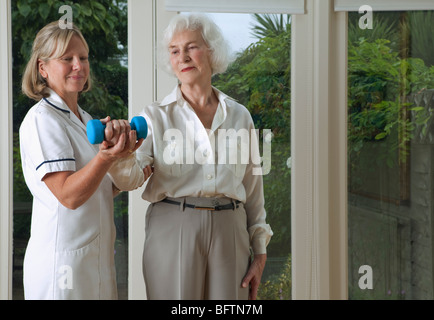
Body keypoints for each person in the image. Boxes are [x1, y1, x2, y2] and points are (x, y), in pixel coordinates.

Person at [136, 13, 273, 300]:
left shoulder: (239, 115)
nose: (183, 57)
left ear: (211, 51)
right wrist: (117, 155)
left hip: (231, 229)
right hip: (173, 225)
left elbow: (253, 187)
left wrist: (259, 251)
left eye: (191, 47)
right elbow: (131, 176)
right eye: (175, 50)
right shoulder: (153, 116)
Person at [19, 21, 151, 300]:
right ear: (43, 68)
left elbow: (99, 189)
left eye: (83, 58)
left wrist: (124, 160)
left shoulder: (86, 120)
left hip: (94, 260)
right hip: (63, 268)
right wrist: (106, 157)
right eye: (67, 59)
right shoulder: (42, 120)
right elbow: (68, 195)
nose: (78, 65)